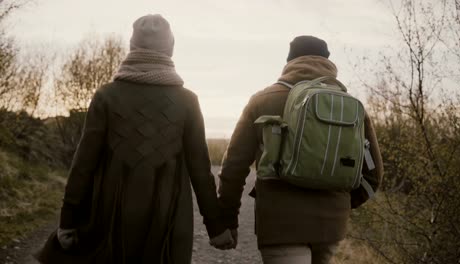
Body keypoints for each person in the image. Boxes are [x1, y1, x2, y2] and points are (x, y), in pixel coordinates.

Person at [36, 14, 233, 264]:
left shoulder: (106, 96)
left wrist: (68, 221)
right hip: (167, 217)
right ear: (170, 48)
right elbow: (200, 171)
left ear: (132, 47)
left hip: (110, 216)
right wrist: (216, 227)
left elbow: (83, 165)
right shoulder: (187, 101)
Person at [217, 35, 384, 264]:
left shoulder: (262, 101)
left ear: (289, 61)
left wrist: (227, 220)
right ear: (327, 62)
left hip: (280, 224)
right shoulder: (350, 106)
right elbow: (374, 174)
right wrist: (342, 206)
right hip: (331, 226)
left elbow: (234, 166)